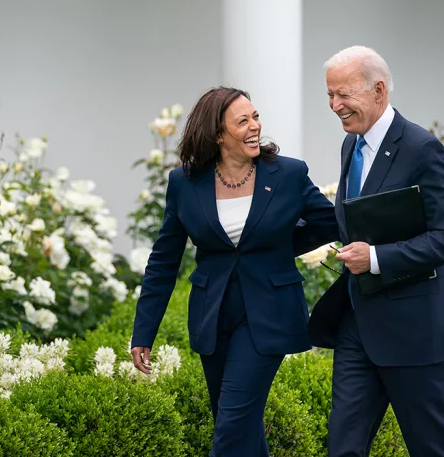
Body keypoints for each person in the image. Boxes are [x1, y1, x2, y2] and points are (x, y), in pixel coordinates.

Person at [130, 86, 339, 457]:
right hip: (213, 316)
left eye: (255, 117)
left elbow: (329, 223)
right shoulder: (184, 182)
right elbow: (164, 259)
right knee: (241, 429)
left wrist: (279, 249)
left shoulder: (288, 173)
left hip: (269, 314)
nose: (255, 126)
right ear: (217, 134)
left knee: (231, 429)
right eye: (243, 121)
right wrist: (143, 332)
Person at [308, 46, 444, 456]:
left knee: (433, 448)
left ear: (379, 89)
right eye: (329, 95)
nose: (335, 105)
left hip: (415, 329)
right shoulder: (350, 146)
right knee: (343, 448)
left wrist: (374, 258)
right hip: (357, 325)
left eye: (343, 95)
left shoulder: (422, 148)